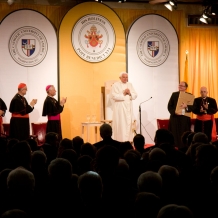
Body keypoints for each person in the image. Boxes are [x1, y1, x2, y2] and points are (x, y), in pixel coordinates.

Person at [110, 72, 137, 142]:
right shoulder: (115, 85)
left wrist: (130, 93)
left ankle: (128, 141)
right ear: (120, 78)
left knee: (128, 124)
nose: (125, 78)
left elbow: (135, 95)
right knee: (121, 124)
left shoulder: (130, 84)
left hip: (128, 108)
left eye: (126, 77)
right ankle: (120, 140)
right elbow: (113, 96)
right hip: (120, 109)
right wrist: (123, 93)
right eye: (124, 77)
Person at [168, 81, 192, 149]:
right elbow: (169, 106)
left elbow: (192, 107)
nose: (180, 87)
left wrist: (186, 106)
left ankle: (184, 148)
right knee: (174, 134)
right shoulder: (174, 94)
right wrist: (175, 112)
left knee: (184, 133)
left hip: (184, 118)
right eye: (179, 85)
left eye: (182, 86)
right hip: (175, 118)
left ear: (186, 88)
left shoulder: (189, 95)